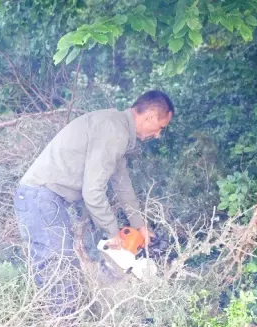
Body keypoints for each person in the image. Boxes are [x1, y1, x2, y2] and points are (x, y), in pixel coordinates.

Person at [13, 90, 174, 312]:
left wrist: (140, 227)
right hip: (40, 199)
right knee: (60, 275)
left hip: (45, 199)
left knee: (62, 273)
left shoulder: (116, 128)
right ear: (150, 117)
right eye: (160, 128)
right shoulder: (114, 132)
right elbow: (93, 191)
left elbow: (122, 185)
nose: (157, 135)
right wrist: (113, 234)